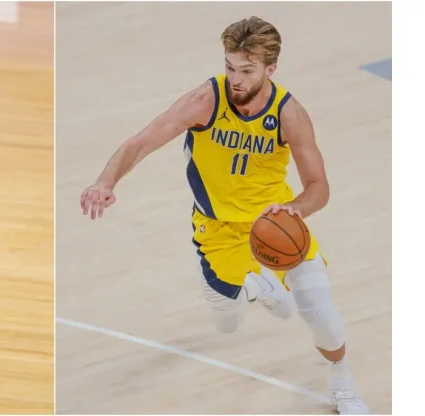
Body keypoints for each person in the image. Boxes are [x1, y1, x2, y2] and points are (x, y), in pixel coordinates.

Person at [80, 16, 369, 415]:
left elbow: (319, 187)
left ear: (271, 69)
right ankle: (251, 286)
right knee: (226, 324)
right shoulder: (206, 100)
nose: (235, 78)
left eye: (246, 71)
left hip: (275, 223)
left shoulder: (289, 114)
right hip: (217, 230)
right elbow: (141, 142)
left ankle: (344, 385)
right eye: (230, 66)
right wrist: (104, 182)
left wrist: (295, 209)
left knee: (320, 309)